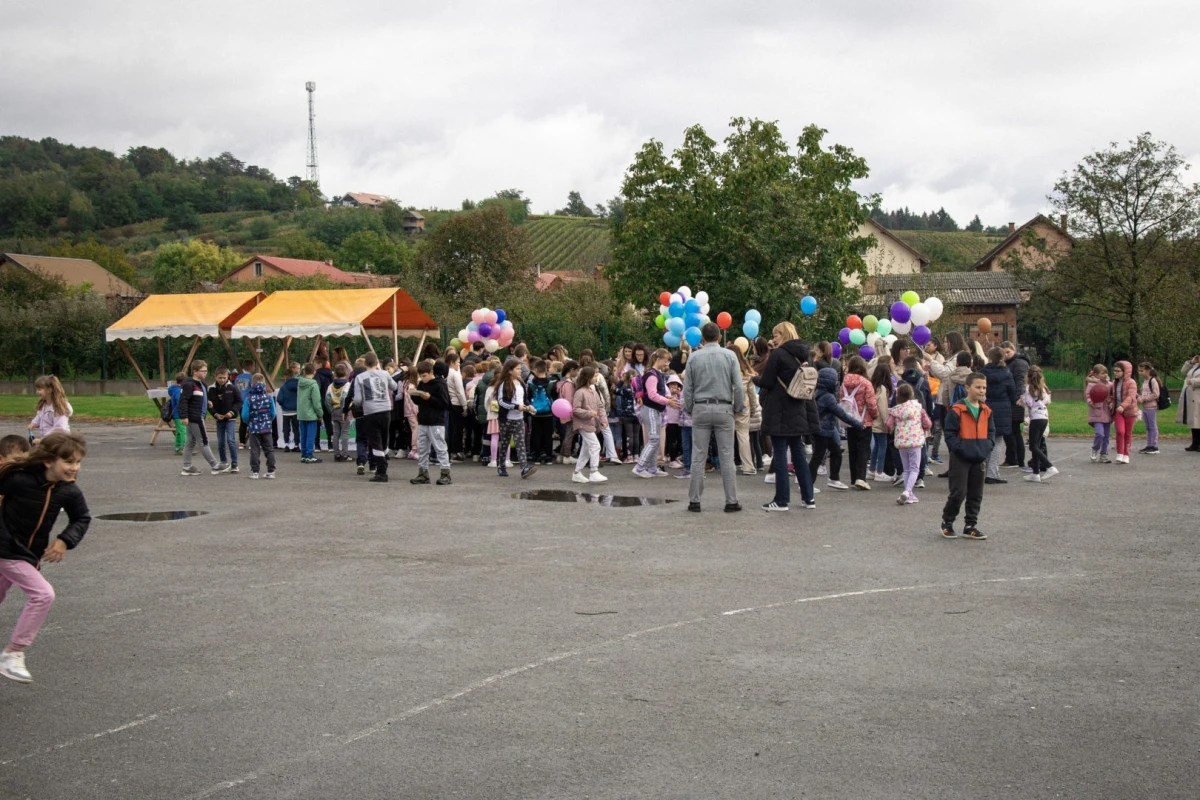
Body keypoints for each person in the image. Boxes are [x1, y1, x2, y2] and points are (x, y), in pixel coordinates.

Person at [0, 432, 91, 683]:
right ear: (49, 461)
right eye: (69, 462)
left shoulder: (68, 492)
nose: (75, 468)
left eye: (78, 462)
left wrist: (64, 541)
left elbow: (82, 518)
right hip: (7, 550)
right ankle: (13, 653)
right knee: (43, 595)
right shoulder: (18, 480)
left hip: (28, 554)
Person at [682, 323, 745, 512]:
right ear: (719, 337)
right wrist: (738, 407)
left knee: (698, 456)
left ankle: (695, 500)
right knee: (727, 456)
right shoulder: (730, 355)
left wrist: (690, 408)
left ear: (702, 338)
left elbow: (688, 388)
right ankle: (731, 501)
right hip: (724, 407)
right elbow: (738, 386)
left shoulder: (693, 357)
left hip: (701, 407)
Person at [758, 323, 819, 512]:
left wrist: (753, 378)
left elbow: (767, 381)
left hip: (779, 409)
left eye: (776, 335)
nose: (773, 339)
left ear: (783, 335)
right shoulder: (805, 354)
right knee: (798, 453)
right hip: (799, 407)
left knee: (780, 453)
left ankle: (782, 499)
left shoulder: (778, 355)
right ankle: (808, 497)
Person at [941, 372, 994, 540]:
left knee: (976, 493)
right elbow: (949, 434)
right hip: (961, 457)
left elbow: (992, 432)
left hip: (979, 457)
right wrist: (960, 448)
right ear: (967, 388)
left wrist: (987, 447)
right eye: (978, 387)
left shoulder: (986, 411)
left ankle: (970, 525)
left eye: (984, 387)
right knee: (959, 492)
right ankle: (947, 522)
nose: (982, 390)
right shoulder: (957, 410)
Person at [809, 367, 865, 493]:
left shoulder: (818, 392)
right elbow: (841, 414)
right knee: (818, 457)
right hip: (823, 431)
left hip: (823, 429)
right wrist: (858, 424)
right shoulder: (828, 397)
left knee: (835, 452)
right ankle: (808, 483)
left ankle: (833, 478)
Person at [349, 352, 397, 482]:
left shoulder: (360, 377)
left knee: (375, 441)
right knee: (384, 438)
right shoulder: (385, 374)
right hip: (386, 410)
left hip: (370, 412)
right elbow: (394, 386)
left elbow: (358, 399)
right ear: (377, 363)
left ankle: (381, 471)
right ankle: (384, 463)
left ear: (365, 364)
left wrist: (358, 402)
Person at [408, 359, 453, 485]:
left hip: (436, 421)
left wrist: (430, 398)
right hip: (423, 420)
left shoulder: (440, 384)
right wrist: (414, 395)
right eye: (421, 376)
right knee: (422, 449)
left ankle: (445, 474)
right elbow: (419, 402)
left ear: (431, 372)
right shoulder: (422, 384)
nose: (423, 379)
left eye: (424, 376)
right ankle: (423, 473)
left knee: (440, 447)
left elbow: (444, 404)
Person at [633, 349, 675, 478]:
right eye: (665, 360)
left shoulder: (655, 374)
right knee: (654, 439)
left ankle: (652, 468)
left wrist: (667, 400)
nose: (666, 363)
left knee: (655, 440)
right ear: (658, 359)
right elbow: (652, 395)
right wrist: (667, 401)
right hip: (650, 409)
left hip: (655, 410)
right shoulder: (652, 375)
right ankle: (640, 467)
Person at [887, 383, 931, 505]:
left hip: (901, 442)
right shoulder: (918, 408)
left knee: (906, 469)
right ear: (912, 394)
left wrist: (894, 429)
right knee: (914, 469)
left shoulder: (895, 411)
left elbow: (889, 425)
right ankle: (907, 492)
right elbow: (927, 423)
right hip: (915, 441)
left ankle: (910, 494)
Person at [493, 358, 538, 479]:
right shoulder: (504, 384)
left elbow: (524, 399)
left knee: (520, 443)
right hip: (506, 419)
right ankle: (501, 466)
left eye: (520, 368)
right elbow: (501, 402)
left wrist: (529, 406)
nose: (520, 371)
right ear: (509, 371)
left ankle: (524, 468)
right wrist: (516, 406)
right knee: (505, 443)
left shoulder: (521, 383)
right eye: (517, 369)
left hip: (519, 419)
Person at [841, 356, 877, 490]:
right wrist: (875, 415)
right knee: (863, 449)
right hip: (864, 420)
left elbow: (841, 399)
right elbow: (871, 403)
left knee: (853, 449)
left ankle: (853, 477)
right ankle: (860, 478)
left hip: (849, 420)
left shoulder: (844, 383)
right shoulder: (866, 383)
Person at [179, 361, 222, 476]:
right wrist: (184, 416)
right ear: (195, 371)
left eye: (206, 371)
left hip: (198, 414)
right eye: (203, 371)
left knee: (190, 442)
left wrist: (207, 402)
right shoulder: (189, 384)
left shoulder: (201, 384)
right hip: (195, 417)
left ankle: (187, 466)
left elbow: (198, 397)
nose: (205, 373)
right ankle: (215, 465)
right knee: (203, 441)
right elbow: (184, 400)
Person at [981, 347, 1016, 484]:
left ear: (989, 358)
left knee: (985, 439)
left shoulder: (983, 373)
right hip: (1002, 408)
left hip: (986, 407)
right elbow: (1012, 393)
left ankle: (982, 469)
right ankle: (992, 473)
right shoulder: (1006, 373)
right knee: (998, 441)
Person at [570, 365, 608, 484]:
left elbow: (600, 406)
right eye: (595, 375)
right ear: (588, 378)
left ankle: (577, 473)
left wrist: (603, 419)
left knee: (586, 449)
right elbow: (575, 409)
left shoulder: (593, 391)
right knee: (596, 446)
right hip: (583, 424)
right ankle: (594, 471)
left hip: (591, 424)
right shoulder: (580, 392)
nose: (597, 377)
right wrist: (589, 413)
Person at [1020, 366, 1057, 482]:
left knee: (1033, 445)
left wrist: (1021, 400)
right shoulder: (1043, 388)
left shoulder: (1028, 389)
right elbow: (1048, 402)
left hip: (1035, 418)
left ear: (1028, 377)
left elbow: (1029, 403)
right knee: (1038, 444)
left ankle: (1050, 466)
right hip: (1044, 417)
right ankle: (1035, 473)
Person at [729, 344, 760, 476]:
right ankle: (748, 466)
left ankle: (728, 465)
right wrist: (753, 408)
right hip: (743, 406)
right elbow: (752, 394)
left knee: (727, 437)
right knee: (743, 436)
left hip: (727, 406)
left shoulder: (725, 371)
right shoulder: (747, 373)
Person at [240, 373, 278, 479]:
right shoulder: (269, 398)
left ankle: (255, 472)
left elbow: (244, 415)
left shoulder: (249, 398)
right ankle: (271, 471)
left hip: (254, 427)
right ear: (264, 384)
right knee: (269, 449)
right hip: (266, 427)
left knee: (255, 450)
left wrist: (249, 422)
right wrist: (268, 420)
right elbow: (273, 413)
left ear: (252, 384)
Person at [207, 366, 243, 473]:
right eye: (220, 378)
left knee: (231, 440)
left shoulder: (233, 387)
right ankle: (223, 462)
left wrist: (231, 412)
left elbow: (239, 402)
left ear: (228, 377)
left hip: (230, 419)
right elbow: (209, 405)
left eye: (224, 377)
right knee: (220, 442)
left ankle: (235, 463)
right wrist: (215, 414)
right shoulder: (211, 389)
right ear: (215, 377)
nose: (222, 380)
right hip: (219, 419)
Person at [1001, 342, 1030, 469]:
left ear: (1014, 350)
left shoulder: (1018, 363)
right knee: (1012, 432)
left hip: (1015, 401)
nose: (1006, 355)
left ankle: (1015, 458)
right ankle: (1014, 458)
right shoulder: (1009, 363)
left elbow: (1020, 382)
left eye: (1008, 352)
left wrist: (1018, 399)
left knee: (1013, 432)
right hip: (1011, 400)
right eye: (1004, 353)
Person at [867, 357, 895, 482]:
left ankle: (872, 470)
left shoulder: (873, 386)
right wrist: (887, 421)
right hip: (880, 421)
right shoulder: (883, 389)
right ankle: (879, 471)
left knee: (876, 447)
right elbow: (883, 407)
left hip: (872, 420)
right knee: (882, 446)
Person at [527, 359, 558, 465]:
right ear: (546, 369)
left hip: (535, 412)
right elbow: (554, 397)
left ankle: (537, 456)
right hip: (548, 412)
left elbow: (528, 397)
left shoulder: (531, 384)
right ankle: (548, 456)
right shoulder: (551, 383)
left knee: (536, 435)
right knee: (548, 435)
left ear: (536, 370)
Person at [28, 375, 72, 446]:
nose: (37, 392)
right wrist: (34, 423)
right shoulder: (44, 405)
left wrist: (42, 440)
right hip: (49, 442)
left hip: (59, 443)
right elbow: (39, 416)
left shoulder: (58, 408)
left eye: (39, 389)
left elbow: (59, 429)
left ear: (49, 390)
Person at [1111, 360, 1138, 464]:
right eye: (1114, 371)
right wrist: (1111, 402)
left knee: (1128, 433)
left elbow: (1131, 396)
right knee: (1120, 431)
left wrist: (1123, 405)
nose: (1115, 373)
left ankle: (1126, 454)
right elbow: (1111, 396)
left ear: (1125, 372)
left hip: (1129, 411)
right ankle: (1120, 453)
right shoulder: (1114, 383)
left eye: (1118, 371)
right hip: (1118, 411)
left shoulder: (1132, 382)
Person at [296, 363, 324, 464]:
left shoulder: (299, 382)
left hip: (301, 413)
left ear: (304, 371)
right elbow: (316, 402)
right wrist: (320, 414)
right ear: (314, 372)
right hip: (311, 414)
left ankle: (304, 454)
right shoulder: (313, 384)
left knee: (303, 435)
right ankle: (309, 454)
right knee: (311, 435)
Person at [1086, 365, 1114, 463]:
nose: (1105, 375)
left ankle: (1104, 454)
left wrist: (1111, 401)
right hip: (1096, 413)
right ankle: (1095, 449)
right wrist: (1090, 402)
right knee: (1099, 434)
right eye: (1102, 373)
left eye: (1106, 372)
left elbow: (1112, 395)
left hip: (1107, 413)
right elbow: (1088, 395)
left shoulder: (1110, 384)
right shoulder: (1091, 385)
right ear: (1096, 375)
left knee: (1106, 436)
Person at [325, 364, 352, 462]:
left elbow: (327, 399)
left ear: (335, 373)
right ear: (346, 373)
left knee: (336, 433)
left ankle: (336, 454)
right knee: (345, 432)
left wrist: (331, 410)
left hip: (334, 410)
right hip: (343, 411)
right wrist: (345, 409)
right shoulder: (347, 385)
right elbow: (345, 398)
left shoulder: (330, 386)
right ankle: (345, 454)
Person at [445, 351, 469, 461]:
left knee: (451, 428)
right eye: (458, 362)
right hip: (457, 403)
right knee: (458, 429)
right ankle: (457, 451)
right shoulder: (455, 374)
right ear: (452, 362)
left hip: (449, 402)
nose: (459, 364)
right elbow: (460, 391)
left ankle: (451, 451)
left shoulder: (446, 373)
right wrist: (464, 405)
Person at [614, 370, 639, 463]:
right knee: (636, 436)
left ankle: (629, 456)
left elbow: (615, 390)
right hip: (637, 414)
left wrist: (621, 380)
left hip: (627, 415)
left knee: (630, 436)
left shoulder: (625, 389)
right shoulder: (639, 389)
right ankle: (636, 455)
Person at [1137, 362, 1161, 455]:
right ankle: (1149, 444)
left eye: (1142, 371)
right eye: (1139, 371)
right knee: (1148, 427)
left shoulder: (1153, 381)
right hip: (1145, 407)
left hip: (1151, 406)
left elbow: (1155, 394)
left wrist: (1143, 399)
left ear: (1148, 371)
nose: (1140, 373)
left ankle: (1154, 446)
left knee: (1152, 426)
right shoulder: (1145, 381)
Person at [276, 363, 300, 452]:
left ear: (286, 376)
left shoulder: (283, 386)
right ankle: (297, 445)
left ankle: (286, 444)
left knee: (286, 428)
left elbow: (279, 399)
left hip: (286, 411)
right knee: (296, 428)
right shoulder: (298, 385)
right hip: (296, 410)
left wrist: (283, 405)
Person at [1179, 355, 1200, 452]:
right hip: (1191, 397)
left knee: (1198, 420)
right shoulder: (1195, 366)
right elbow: (1183, 371)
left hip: (1198, 396)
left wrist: (1193, 381)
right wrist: (1191, 362)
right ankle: (1195, 443)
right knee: (1193, 420)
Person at [168, 373, 187, 455]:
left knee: (179, 431)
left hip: (175, 414)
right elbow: (181, 403)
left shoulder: (173, 389)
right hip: (180, 414)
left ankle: (178, 447)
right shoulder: (179, 391)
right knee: (183, 431)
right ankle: (184, 448)